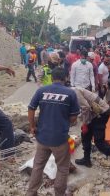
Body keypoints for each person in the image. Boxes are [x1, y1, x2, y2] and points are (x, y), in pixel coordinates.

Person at [27, 67, 80, 196]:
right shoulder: (70, 93)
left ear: (51, 78)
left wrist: (33, 126)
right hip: (60, 139)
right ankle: (59, 194)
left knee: (38, 166)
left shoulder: (42, 90)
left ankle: (31, 192)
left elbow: (31, 108)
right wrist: (64, 119)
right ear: (66, 78)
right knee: (62, 168)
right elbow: (73, 118)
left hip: (42, 137)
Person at [73, 87, 110, 176]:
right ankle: (86, 159)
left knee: (99, 142)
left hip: (102, 113)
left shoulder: (74, 92)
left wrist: (85, 123)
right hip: (94, 113)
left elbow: (85, 107)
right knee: (85, 135)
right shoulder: (71, 92)